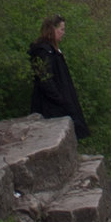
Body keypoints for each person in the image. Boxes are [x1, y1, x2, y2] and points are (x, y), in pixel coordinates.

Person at [28, 15, 88, 143]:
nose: (63, 33)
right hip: (50, 106)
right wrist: (61, 100)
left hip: (59, 102)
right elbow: (45, 80)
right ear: (52, 29)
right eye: (61, 29)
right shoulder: (43, 52)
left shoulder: (53, 51)